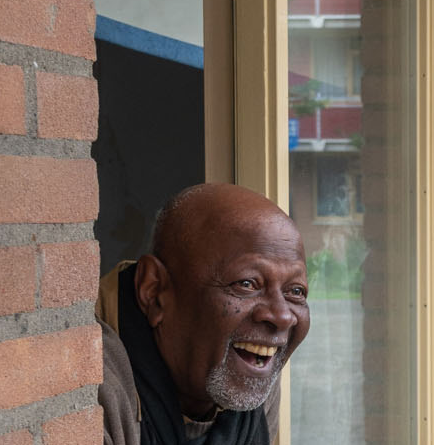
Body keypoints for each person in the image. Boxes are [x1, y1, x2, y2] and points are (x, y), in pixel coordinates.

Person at [97, 183, 311, 445]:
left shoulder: (248, 375)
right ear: (154, 290)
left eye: (296, 291)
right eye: (246, 284)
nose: (282, 316)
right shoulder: (87, 381)